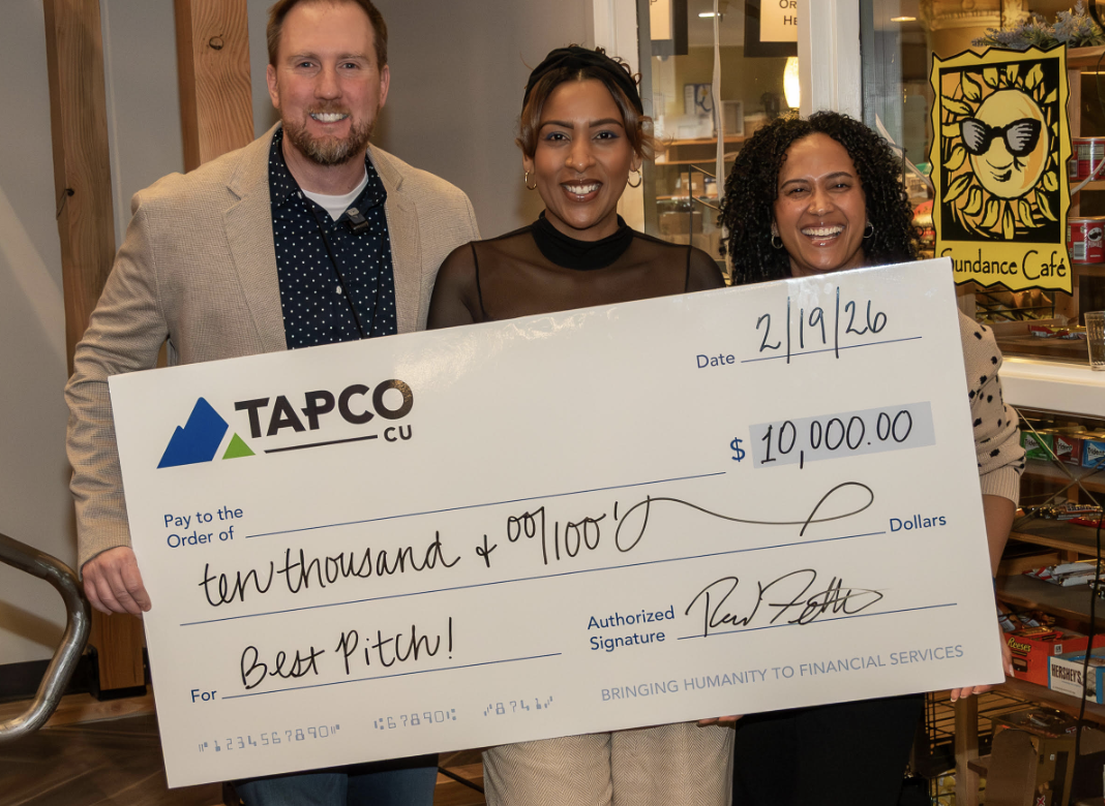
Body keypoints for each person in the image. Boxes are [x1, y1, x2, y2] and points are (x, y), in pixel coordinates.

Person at [65, 1, 478, 803]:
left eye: (351, 66)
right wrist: (106, 527)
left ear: (383, 82)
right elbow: (100, 369)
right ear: (270, 79)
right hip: (260, 612)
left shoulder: (444, 211)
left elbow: (465, 380)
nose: (329, 88)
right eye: (306, 64)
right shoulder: (178, 216)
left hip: (406, 598)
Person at [427, 46, 728, 805]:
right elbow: (443, 472)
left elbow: (725, 462)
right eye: (556, 136)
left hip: (675, 623)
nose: (579, 158)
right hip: (533, 636)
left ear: (635, 152)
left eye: (604, 134)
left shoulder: (691, 277)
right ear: (527, 157)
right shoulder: (473, 277)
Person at [719, 110, 1025, 806]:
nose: (820, 207)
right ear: (769, 216)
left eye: (840, 185)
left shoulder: (941, 333)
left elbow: (995, 461)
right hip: (755, 643)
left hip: (878, 644)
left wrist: (966, 606)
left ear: (872, 203)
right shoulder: (728, 340)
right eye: (797, 190)